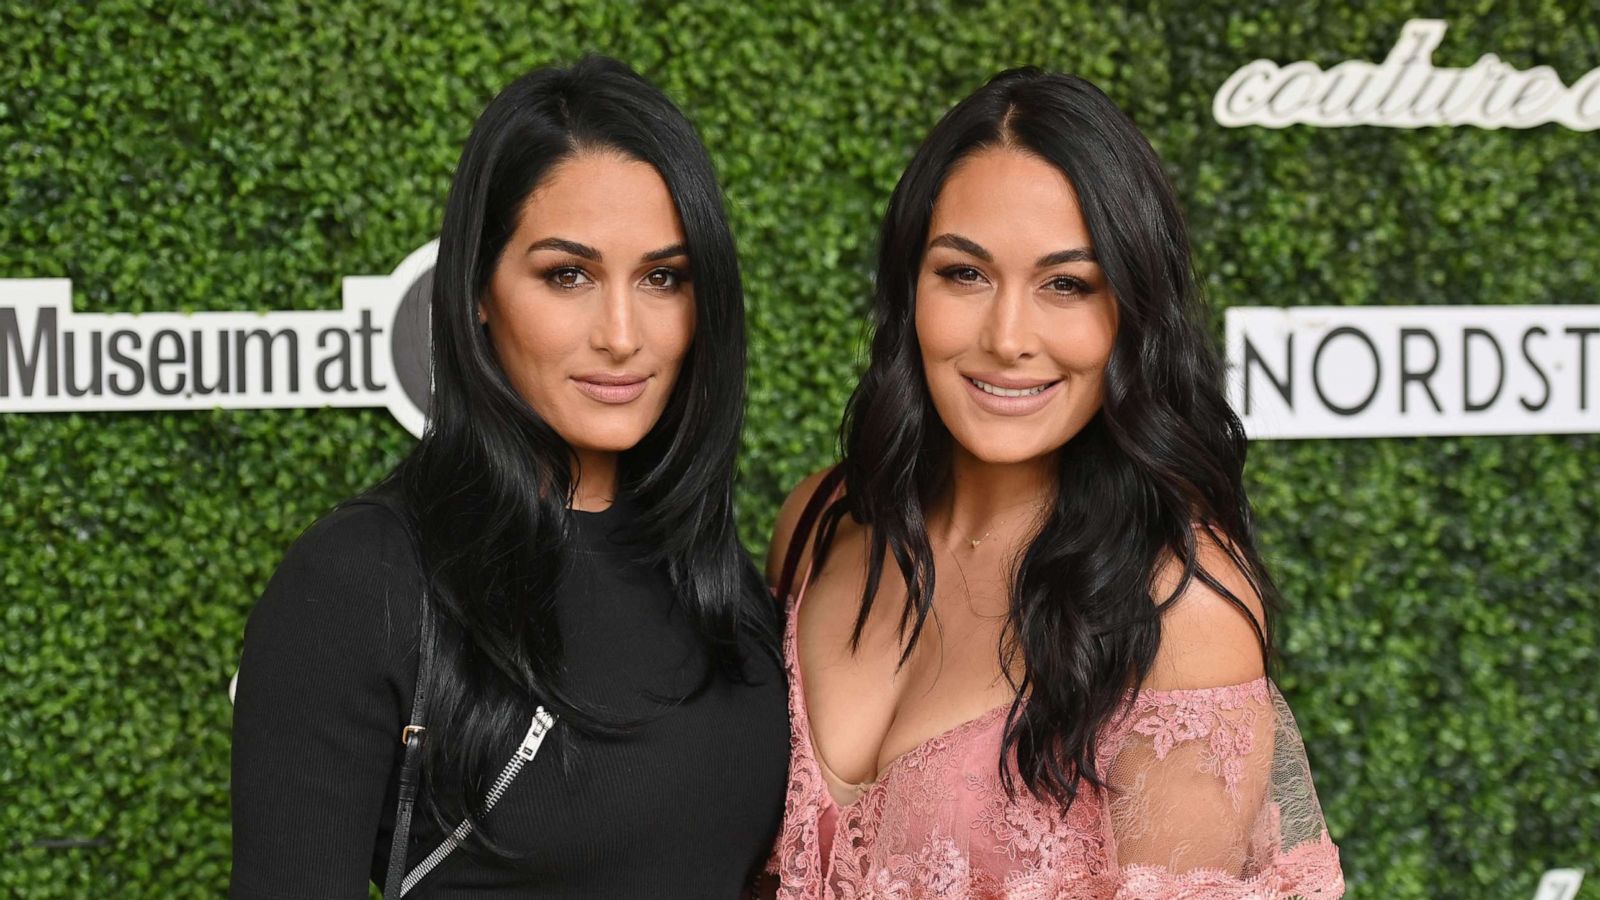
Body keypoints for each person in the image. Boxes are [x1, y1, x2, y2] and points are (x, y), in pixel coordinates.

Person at [765, 68, 1344, 898]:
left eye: (1067, 285)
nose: (1008, 337)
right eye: (964, 273)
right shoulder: (825, 524)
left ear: (1131, 316)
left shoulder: (1181, 607)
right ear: (908, 288)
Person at [231, 55, 788, 898]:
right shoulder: (358, 581)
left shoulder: (717, 575)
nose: (621, 333)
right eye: (568, 274)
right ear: (479, 289)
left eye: (662, 278)